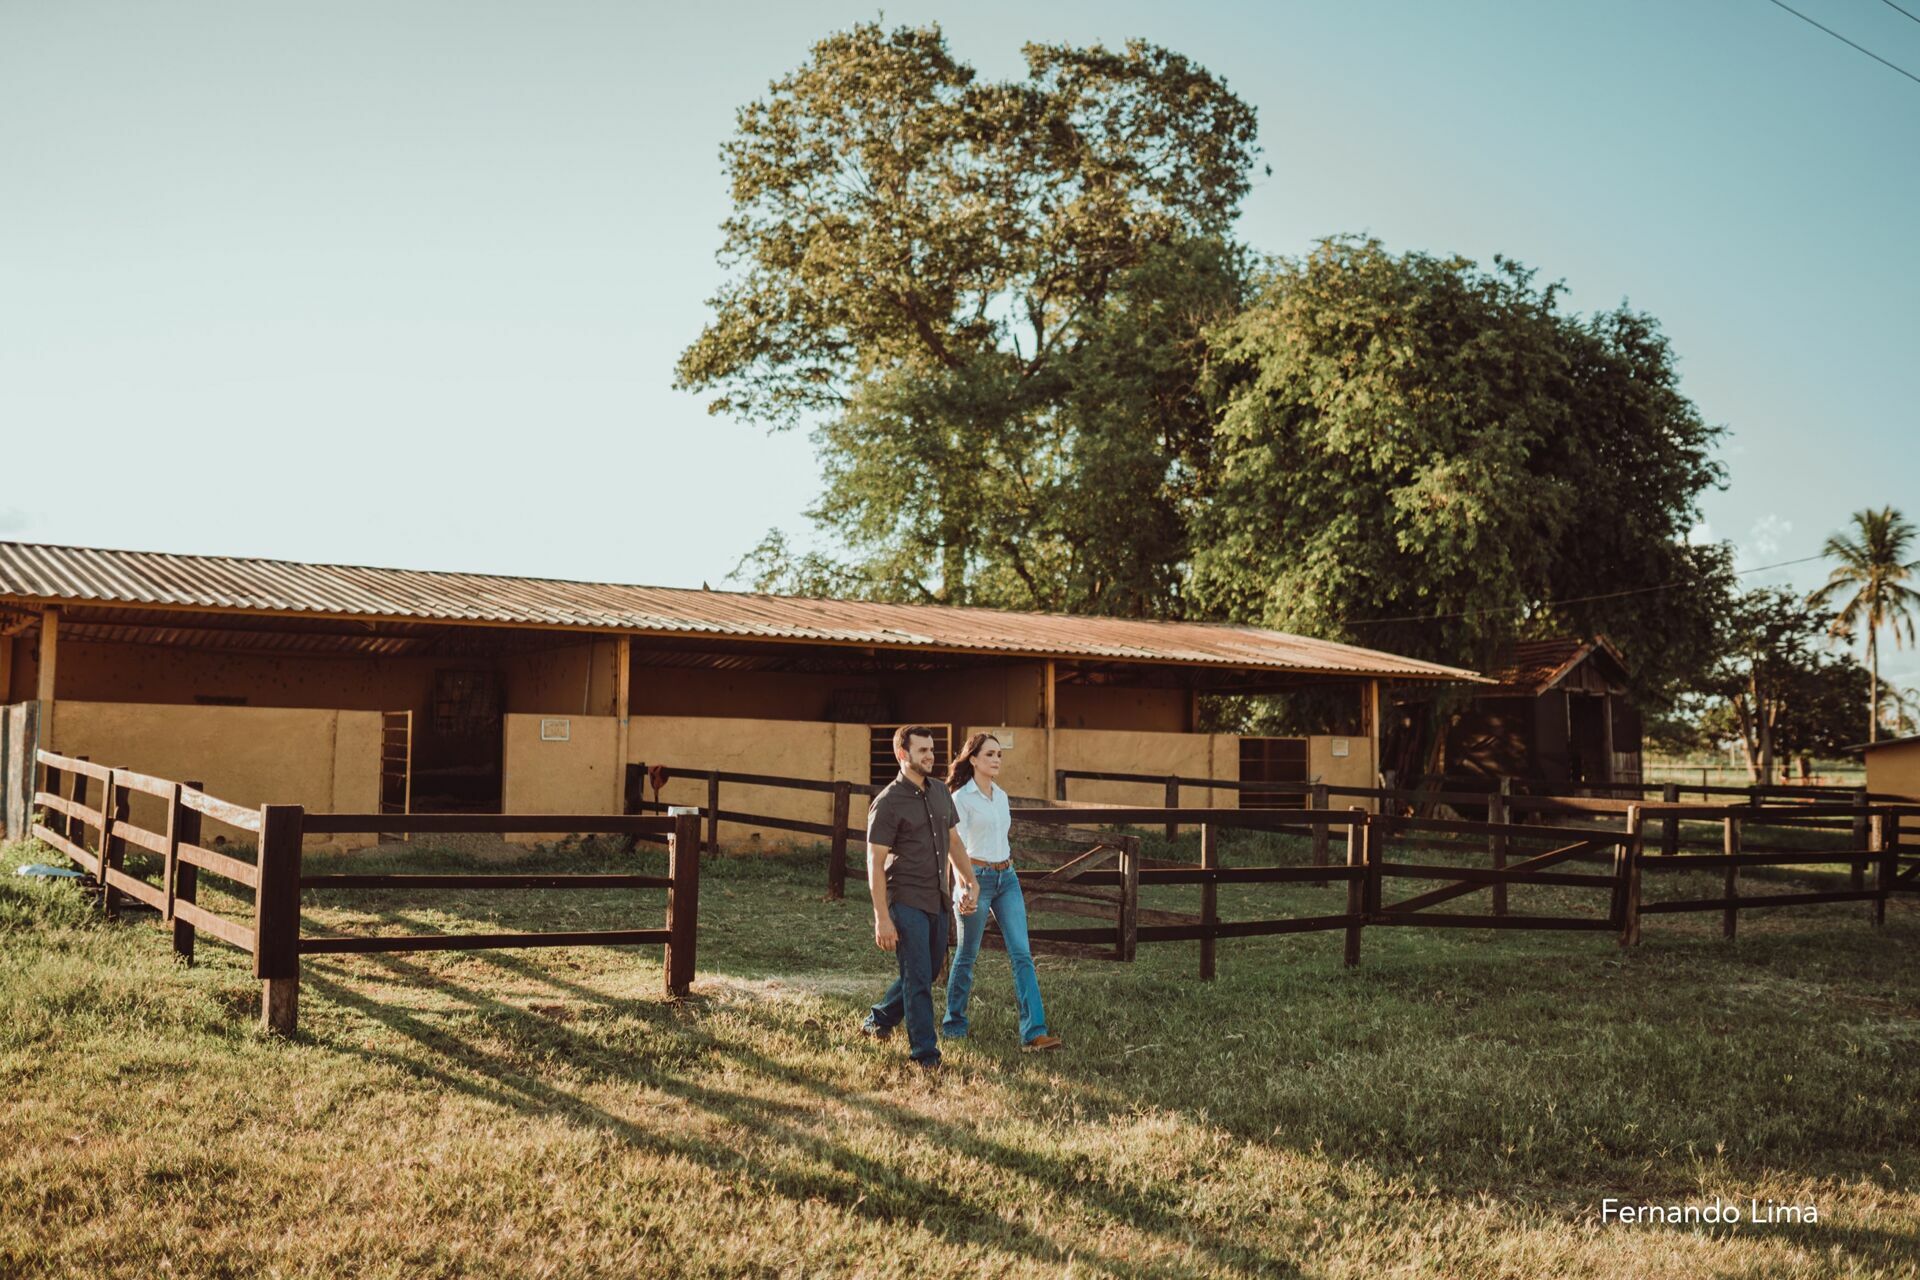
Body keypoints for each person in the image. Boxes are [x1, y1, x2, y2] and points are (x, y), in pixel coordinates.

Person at [860, 726, 979, 1069]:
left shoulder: (941, 792)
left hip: (937, 899)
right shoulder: (886, 803)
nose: (930, 755)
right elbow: (874, 862)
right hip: (905, 899)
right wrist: (882, 916)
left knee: (924, 974)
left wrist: (969, 880)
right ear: (902, 755)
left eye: (931, 749)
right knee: (918, 978)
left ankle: (881, 1019)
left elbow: (954, 842)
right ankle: (925, 1055)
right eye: (922, 750)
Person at [943, 732, 1062, 1052]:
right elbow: (956, 848)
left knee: (1022, 953)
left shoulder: (1001, 796)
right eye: (990, 754)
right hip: (975, 879)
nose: (996, 760)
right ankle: (954, 1024)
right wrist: (964, 887)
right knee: (967, 955)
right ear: (973, 759)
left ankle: (1034, 1033)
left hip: (1007, 878)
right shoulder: (961, 798)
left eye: (999, 755)